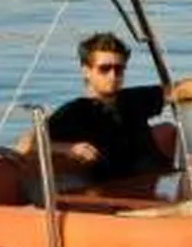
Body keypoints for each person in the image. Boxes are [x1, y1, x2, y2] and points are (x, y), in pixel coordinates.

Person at [25, 32, 176, 184]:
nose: (113, 76)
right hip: (122, 191)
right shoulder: (75, 112)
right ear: (86, 71)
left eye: (119, 69)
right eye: (105, 69)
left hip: (161, 180)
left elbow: (178, 90)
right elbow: (28, 145)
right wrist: (68, 148)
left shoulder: (133, 99)